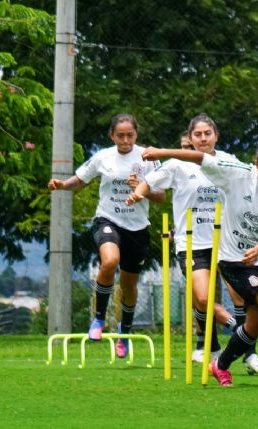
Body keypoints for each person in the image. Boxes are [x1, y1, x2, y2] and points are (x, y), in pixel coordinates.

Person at [128, 137, 258, 387]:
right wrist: (162, 151)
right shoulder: (237, 174)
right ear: (256, 165)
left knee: (253, 326)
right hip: (234, 261)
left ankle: (219, 366)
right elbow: (199, 158)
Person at [134, 115, 258, 375]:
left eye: (208, 133)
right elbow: (150, 183)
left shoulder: (227, 161)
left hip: (228, 241)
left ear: (216, 136)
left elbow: (253, 180)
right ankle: (214, 346)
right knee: (204, 298)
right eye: (198, 134)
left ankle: (250, 355)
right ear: (191, 138)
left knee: (241, 296)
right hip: (192, 242)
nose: (204, 138)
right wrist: (138, 193)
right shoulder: (177, 166)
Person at [47, 114, 164, 358]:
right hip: (108, 220)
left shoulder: (147, 158)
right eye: (120, 135)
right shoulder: (103, 157)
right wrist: (62, 185)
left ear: (136, 135)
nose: (125, 140)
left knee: (129, 284)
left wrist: (141, 189)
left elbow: (161, 196)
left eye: (129, 135)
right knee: (109, 261)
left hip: (138, 227)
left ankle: (125, 331)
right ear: (112, 136)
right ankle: (99, 320)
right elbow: (81, 179)